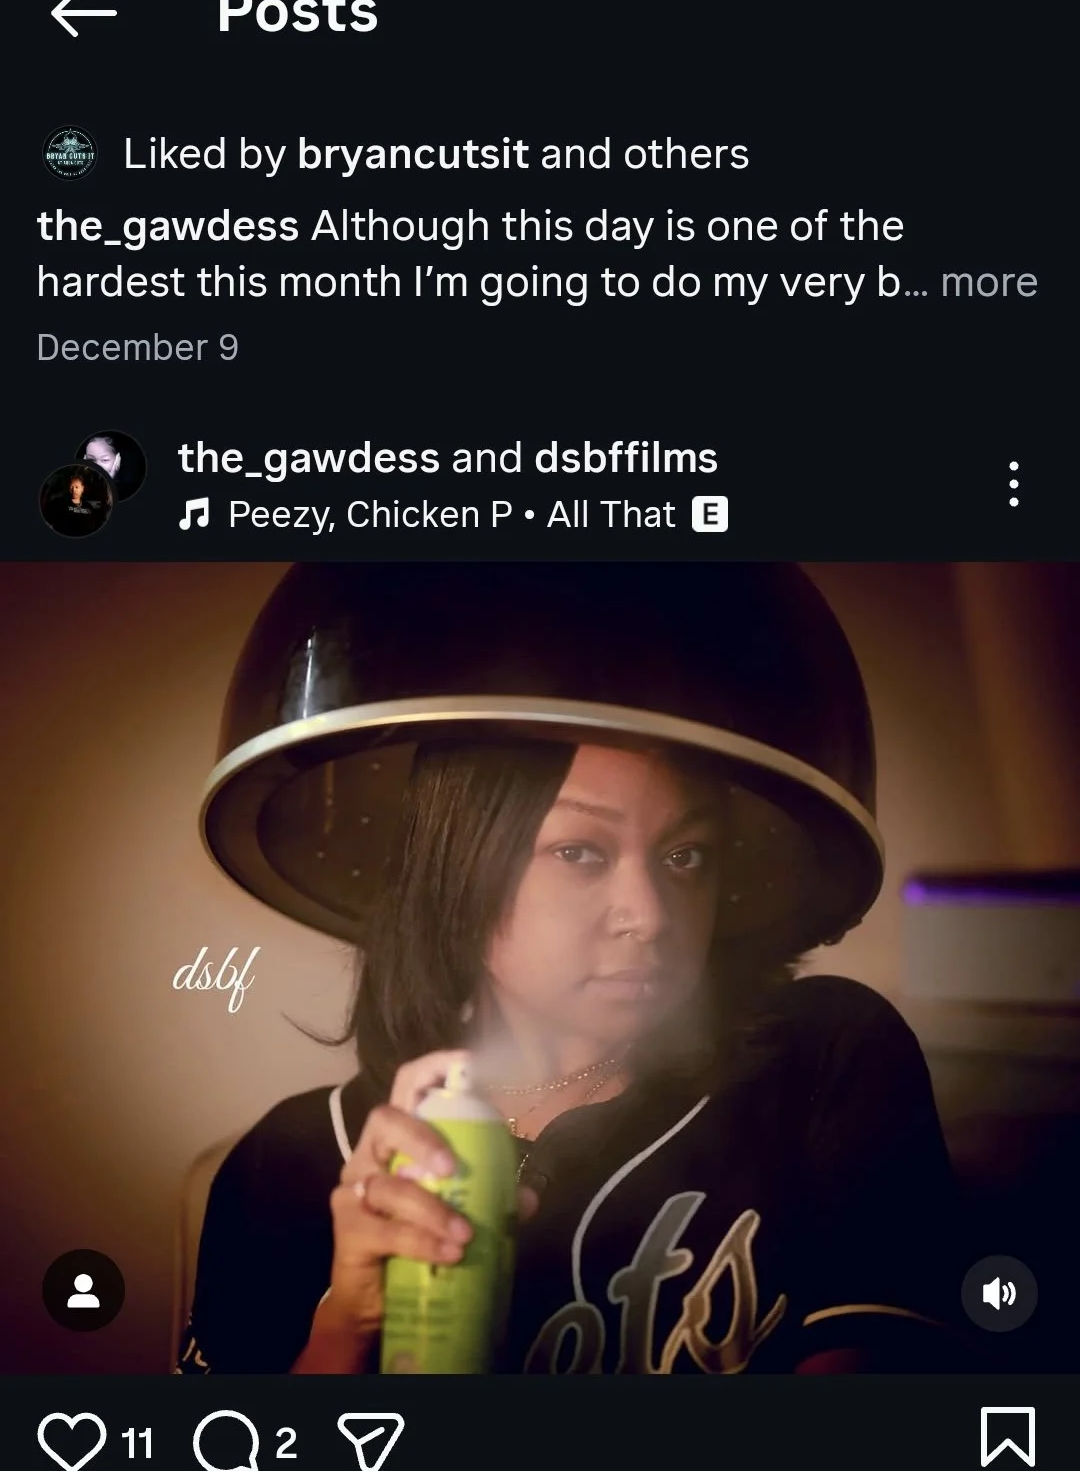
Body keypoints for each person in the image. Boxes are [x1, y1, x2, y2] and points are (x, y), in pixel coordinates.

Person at [177, 563, 963, 1376]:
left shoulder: (824, 1058)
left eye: (686, 855)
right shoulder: (290, 1162)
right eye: (580, 851)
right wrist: (346, 1327)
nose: (652, 915)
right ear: (460, 869)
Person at [39, 463, 112, 537]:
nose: (73, 490)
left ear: (83, 489)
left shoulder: (88, 506)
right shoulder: (60, 502)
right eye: (71, 487)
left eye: (77, 487)